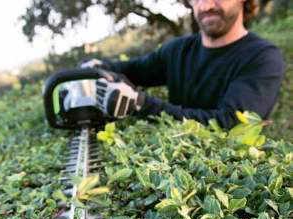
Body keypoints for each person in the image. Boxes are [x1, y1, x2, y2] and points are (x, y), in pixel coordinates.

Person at [81, 0, 285, 129]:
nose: (206, 6)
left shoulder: (262, 58)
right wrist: (98, 66)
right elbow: (135, 70)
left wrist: (141, 103)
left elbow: (228, 123)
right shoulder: (178, 50)